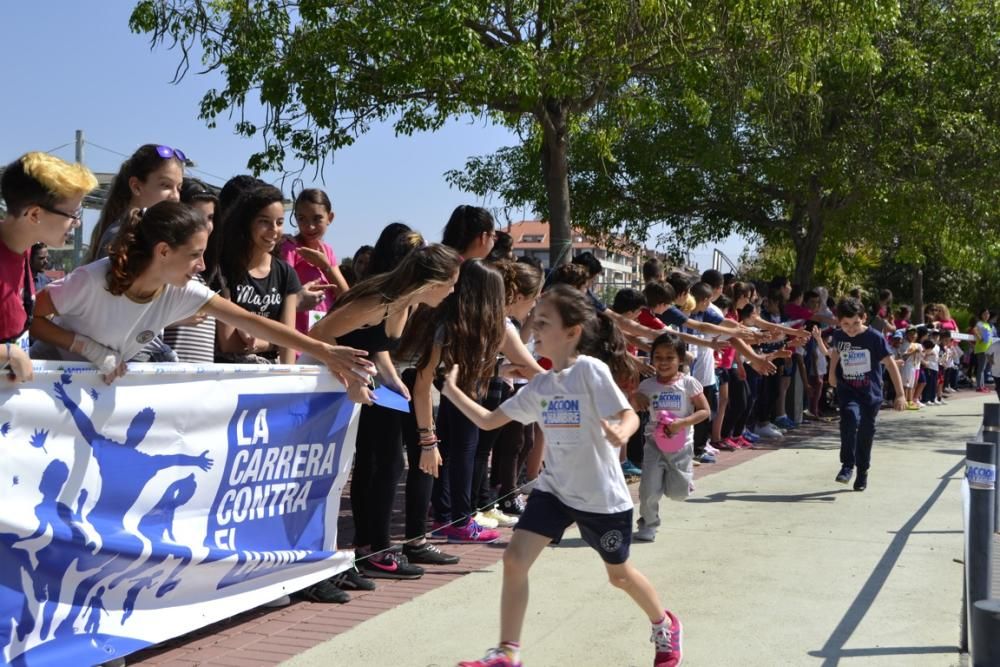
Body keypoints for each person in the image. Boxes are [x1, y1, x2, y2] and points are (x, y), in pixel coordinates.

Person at [444, 285, 682, 667]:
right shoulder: (540, 386)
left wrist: (623, 430)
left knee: (618, 576)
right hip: (554, 490)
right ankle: (507, 651)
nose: (533, 328)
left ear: (572, 333)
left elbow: (629, 413)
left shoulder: (589, 371)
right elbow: (489, 421)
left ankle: (664, 623)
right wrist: (452, 391)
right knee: (514, 559)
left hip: (601, 496)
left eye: (543, 322)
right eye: (534, 320)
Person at [29, 200, 373, 388]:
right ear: (163, 251)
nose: (202, 265)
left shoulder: (184, 290)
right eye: (195, 255)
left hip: (100, 388)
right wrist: (86, 347)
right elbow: (34, 320)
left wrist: (325, 351)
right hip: (48, 388)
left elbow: (253, 322)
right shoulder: (92, 279)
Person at [307, 243, 463, 581]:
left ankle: (371, 547)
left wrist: (392, 379)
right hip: (328, 387)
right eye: (450, 283)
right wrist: (348, 378)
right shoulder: (377, 301)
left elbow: (376, 346)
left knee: (385, 464)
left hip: (362, 387)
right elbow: (317, 337)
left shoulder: (403, 305)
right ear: (431, 281)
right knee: (374, 465)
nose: (452, 291)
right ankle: (366, 549)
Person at [395, 258, 507, 545]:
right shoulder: (449, 326)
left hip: (440, 391)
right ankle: (460, 518)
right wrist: (427, 438)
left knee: (449, 454)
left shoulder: (449, 321)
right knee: (461, 452)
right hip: (421, 394)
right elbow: (422, 382)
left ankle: (447, 516)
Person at [1, 152, 97, 382]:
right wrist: (8, 353)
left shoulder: (22, 250)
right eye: (73, 214)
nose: (77, 223)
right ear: (35, 214)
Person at [632, 332, 710, 542]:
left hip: (681, 446)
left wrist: (682, 423)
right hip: (653, 443)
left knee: (678, 493)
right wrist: (634, 397)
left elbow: (705, 411)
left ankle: (682, 480)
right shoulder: (647, 386)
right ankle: (648, 524)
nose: (663, 362)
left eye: (669, 357)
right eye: (658, 357)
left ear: (681, 359)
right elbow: (632, 407)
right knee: (648, 489)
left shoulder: (688, 384)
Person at [216, 185, 302, 364]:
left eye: (279, 222)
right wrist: (276, 342)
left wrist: (269, 343)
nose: (274, 229)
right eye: (264, 221)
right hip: (228, 376)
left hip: (270, 374)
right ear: (246, 222)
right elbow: (229, 343)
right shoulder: (223, 269)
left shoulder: (286, 274)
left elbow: (289, 343)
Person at [827, 298, 906, 491]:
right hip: (848, 390)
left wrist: (900, 394)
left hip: (870, 394)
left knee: (865, 433)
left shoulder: (874, 338)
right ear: (839, 322)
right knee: (849, 421)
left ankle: (862, 471)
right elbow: (836, 353)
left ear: (864, 318)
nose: (851, 328)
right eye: (845, 324)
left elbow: (890, 364)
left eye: (855, 323)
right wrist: (831, 374)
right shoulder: (839, 336)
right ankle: (847, 465)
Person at [87, 144, 185, 262]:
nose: (175, 196)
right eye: (165, 185)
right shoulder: (120, 238)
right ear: (136, 186)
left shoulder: (159, 234)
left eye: (179, 188)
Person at [161, 178, 220, 363]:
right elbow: (136, 319)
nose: (205, 225)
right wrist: (177, 318)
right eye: (197, 216)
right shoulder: (164, 266)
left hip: (201, 380)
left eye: (210, 218)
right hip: (165, 377)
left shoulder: (211, 270)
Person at [279, 188, 350, 334]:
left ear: (330, 218)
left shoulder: (328, 251)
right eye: (302, 218)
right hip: (296, 338)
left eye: (317, 218)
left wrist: (325, 266)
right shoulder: (290, 248)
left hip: (323, 336)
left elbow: (346, 297)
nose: (309, 226)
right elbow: (281, 296)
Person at [974, 308, 993, 392]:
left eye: (988, 314)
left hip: (988, 349)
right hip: (981, 349)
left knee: (984, 368)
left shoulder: (988, 324)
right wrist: (979, 337)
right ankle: (979, 386)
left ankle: (982, 385)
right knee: (981, 368)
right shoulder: (979, 323)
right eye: (985, 313)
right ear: (981, 315)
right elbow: (974, 330)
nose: (986, 315)